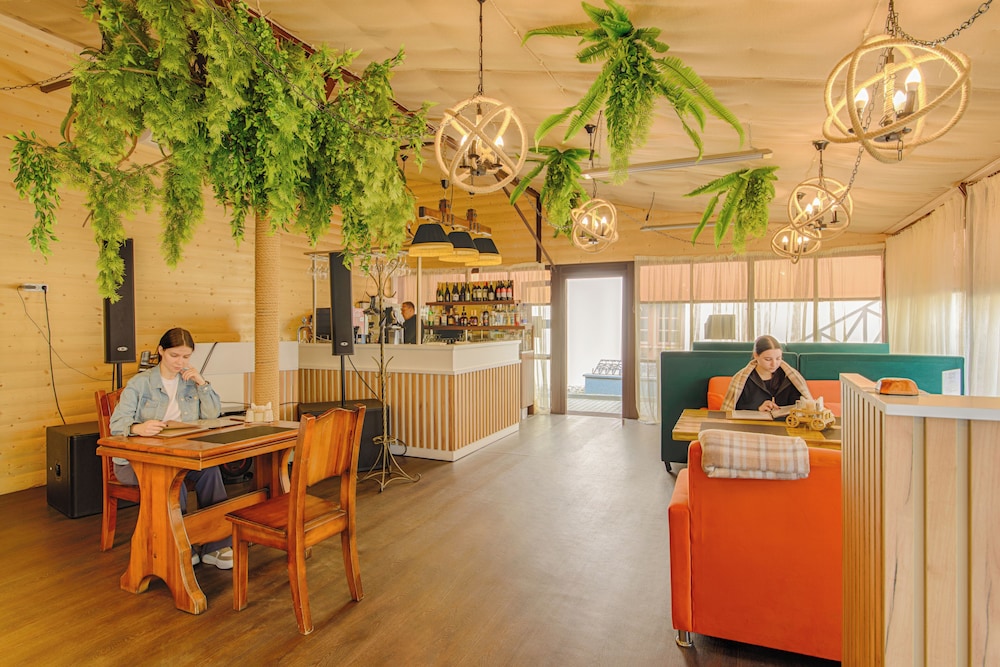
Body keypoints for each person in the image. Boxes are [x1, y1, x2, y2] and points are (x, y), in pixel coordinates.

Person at [109, 327, 233, 570]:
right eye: (174, 355)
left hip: (181, 454)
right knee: (174, 476)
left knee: (210, 472)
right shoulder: (140, 383)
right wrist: (137, 427)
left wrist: (202, 383)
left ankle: (216, 545)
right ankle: (179, 544)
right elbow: (116, 425)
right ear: (161, 351)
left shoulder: (190, 382)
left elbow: (212, 415)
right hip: (136, 461)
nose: (180, 362)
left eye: (186, 357)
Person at [722, 335, 812, 412]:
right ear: (756, 355)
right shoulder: (743, 380)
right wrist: (757, 409)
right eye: (768, 359)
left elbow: (800, 405)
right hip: (753, 425)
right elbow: (733, 410)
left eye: (778, 358)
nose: (774, 364)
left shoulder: (790, 377)